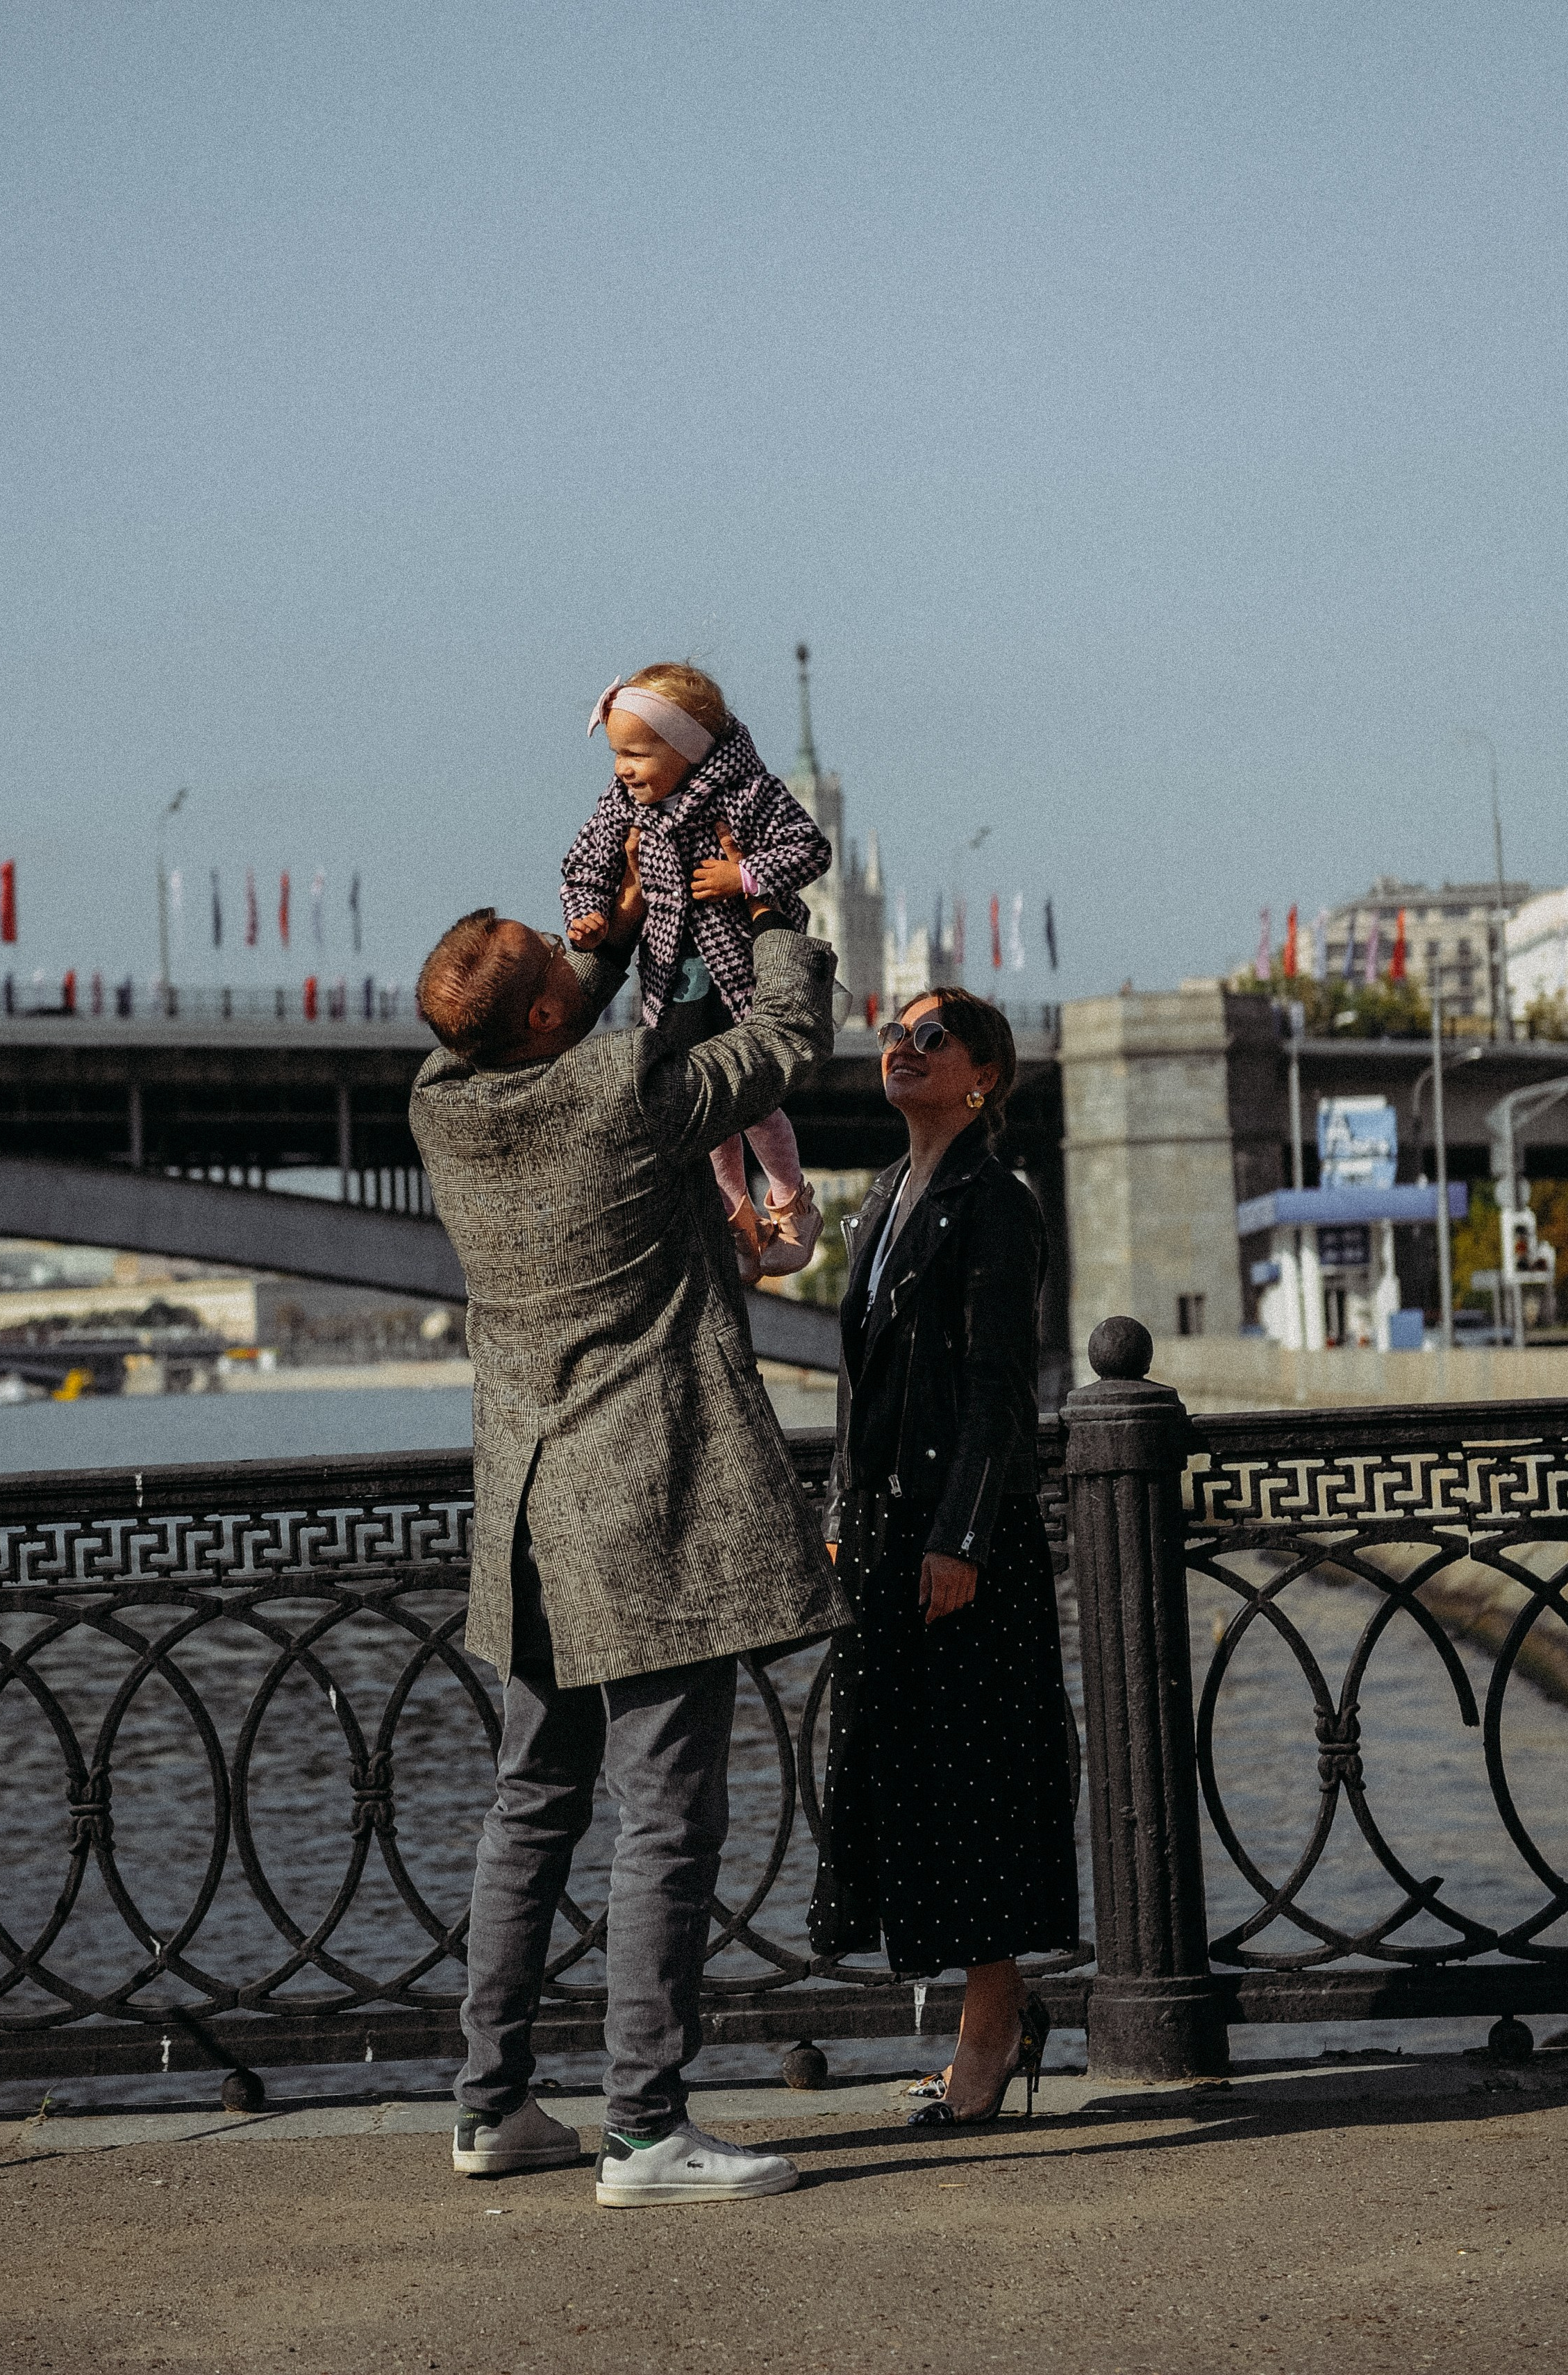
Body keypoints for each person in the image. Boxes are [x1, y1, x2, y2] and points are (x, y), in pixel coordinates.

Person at [410, 838, 851, 2206]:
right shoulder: (628, 1086)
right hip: (652, 1506)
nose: (575, 958)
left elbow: (553, 1004)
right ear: (550, 1016)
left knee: (531, 1805)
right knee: (668, 1816)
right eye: (558, 963)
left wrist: (596, 938)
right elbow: (781, 1040)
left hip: (528, 1517)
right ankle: (647, 2132)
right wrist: (763, 912)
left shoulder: (440, 1098)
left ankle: (492, 2108)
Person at [807, 986, 1081, 2126]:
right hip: (886, 1529)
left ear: (985, 1078)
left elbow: (998, 1392)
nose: (902, 1049)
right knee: (912, 1782)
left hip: (958, 1536)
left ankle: (988, 2042)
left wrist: (960, 1535)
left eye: (933, 1037)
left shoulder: (997, 1202)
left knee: (976, 1793)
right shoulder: (884, 1196)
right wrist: (841, 1507)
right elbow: (864, 1376)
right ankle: (997, 2020)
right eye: (895, 1034)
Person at [562, 661, 831, 1284]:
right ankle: (734, 1214)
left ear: (685, 749)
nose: (621, 769)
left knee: (755, 1097)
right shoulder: (623, 805)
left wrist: (742, 878)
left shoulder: (750, 794)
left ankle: (791, 1200)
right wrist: (587, 917)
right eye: (615, 755)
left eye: (635, 753)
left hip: (742, 972)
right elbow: (584, 866)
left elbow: (809, 850)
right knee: (697, 1097)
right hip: (670, 976)